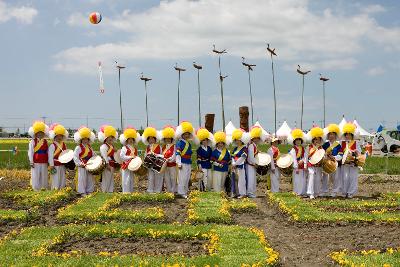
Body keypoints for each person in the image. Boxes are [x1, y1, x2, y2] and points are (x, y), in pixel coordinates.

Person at [339, 123, 361, 198]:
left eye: (349, 134)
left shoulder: (356, 143)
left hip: (353, 163)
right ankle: (344, 192)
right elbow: (340, 153)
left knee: (353, 177)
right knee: (344, 177)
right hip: (344, 163)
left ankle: (351, 192)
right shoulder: (342, 143)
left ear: (352, 135)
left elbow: (359, 153)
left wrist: (354, 154)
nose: (347, 136)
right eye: (346, 134)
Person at [73, 126, 96, 195]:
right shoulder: (78, 147)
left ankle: (89, 191)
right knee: (82, 178)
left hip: (89, 164)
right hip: (82, 164)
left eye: (87, 139)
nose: (85, 140)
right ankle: (82, 191)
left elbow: (93, 155)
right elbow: (75, 157)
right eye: (84, 139)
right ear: (81, 139)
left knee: (90, 178)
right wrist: (79, 163)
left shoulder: (89, 147)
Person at [322, 124, 342, 197]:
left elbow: (341, 155)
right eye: (330, 134)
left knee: (335, 178)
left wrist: (334, 157)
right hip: (326, 164)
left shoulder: (338, 145)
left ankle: (335, 191)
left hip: (335, 164)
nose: (331, 136)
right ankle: (324, 191)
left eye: (333, 134)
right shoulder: (325, 145)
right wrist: (325, 156)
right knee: (325, 178)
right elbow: (321, 153)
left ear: (335, 135)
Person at [246, 126, 267, 198]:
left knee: (253, 179)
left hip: (253, 164)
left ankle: (252, 192)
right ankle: (250, 192)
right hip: (251, 165)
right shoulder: (251, 146)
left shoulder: (254, 146)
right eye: (255, 138)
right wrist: (254, 164)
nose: (257, 139)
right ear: (252, 138)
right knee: (251, 179)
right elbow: (251, 157)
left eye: (258, 138)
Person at [28, 121, 49, 191]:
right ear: (35, 133)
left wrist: (49, 161)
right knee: (35, 175)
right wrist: (31, 161)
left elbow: (47, 152)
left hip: (44, 160)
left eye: (42, 133)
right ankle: (36, 189)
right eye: (39, 133)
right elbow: (30, 152)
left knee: (44, 175)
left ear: (44, 133)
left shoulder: (45, 141)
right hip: (36, 160)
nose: (40, 134)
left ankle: (44, 188)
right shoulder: (32, 141)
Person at [175, 121, 194, 198]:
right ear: (182, 134)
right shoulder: (179, 142)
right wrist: (179, 163)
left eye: (188, 134)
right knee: (182, 178)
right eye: (185, 134)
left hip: (188, 162)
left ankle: (185, 191)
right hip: (182, 162)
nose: (186, 135)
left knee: (187, 177)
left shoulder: (189, 143)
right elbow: (178, 154)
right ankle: (181, 192)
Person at [142, 126, 163, 193]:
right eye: (149, 139)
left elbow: (162, 155)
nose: (151, 140)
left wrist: (155, 155)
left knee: (157, 177)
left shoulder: (159, 146)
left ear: (155, 139)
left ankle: (157, 190)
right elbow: (145, 155)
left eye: (152, 139)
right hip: (150, 165)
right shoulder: (147, 147)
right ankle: (150, 190)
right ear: (148, 140)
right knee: (150, 178)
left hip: (157, 164)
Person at [48, 123, 69, 190]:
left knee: (62, 179)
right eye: (58, 136)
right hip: (55, 165)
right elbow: (50, 156)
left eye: (61, 136)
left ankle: (61, 190)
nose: (59, 137)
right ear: (54, 136)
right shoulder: (52, 145)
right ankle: (55, 190)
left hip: (62, 164)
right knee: (55, 179)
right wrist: (51, 165)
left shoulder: (64, 145)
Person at [119, 127, 140, 193]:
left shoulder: (135, 148)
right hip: (126, 166)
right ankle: (126, 192)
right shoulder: (124, 148)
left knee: (131, 179)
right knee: (126, 180)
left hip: (132, 166)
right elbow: (122, 156)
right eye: (129, 139)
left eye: (132, 139)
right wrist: (130, 157)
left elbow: (136, 157)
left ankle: (131, 192)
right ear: (126, 140)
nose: (131, 140)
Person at [98, 125, 118, 193]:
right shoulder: (103, 146)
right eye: (109, 137)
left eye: (111, 137)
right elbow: (104, 156)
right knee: (106, 178)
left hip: (112, 163)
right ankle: (105, 191)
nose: (110, 139)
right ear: (105, 138)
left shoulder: (112, 146)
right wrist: (107, 164)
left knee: (111, 178)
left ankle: (110, 191)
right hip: (107, 164)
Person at [306, 126, 324, 199]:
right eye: (315, 139)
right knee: (312, 176)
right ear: (313, 140)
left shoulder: (321, 148)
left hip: (319, 165)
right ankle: (310, 193)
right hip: (311, 165)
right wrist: (305, 165)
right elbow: (305, 157)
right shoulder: (309, 147)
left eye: (318, 139)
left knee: (318, 178)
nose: (317, 141)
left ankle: (317, 192)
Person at [231, 128, 249, 198]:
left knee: (241, 180)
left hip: (241, 166)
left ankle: (243, 193)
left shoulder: (245, 148)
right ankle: (236, 193)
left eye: (239, 140)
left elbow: (243, 157)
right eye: (236, 140)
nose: (237, 141)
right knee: (235, 179)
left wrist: (235, 164)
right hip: (234, 166)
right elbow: (232, 156)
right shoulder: (235, 148)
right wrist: (233, 163)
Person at [288, 129, 307, 196]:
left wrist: (304, 162)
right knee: (297, 179)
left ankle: (302, 192)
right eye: (297, 140)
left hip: (302, 166)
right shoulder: (293, 149)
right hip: (296, 167)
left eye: (299, 140)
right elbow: (293, 158)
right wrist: (296, 166)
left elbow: (305, 156)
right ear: (294, 141)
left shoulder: (303, 148)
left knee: (303, 179)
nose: (298, 141)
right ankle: (297, 192)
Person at [161, 126, 177, 193]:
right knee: (166, 178)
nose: (167, 140)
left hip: (172, 165)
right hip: (165, 165)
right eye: (166, 138)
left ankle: (173, 191)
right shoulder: (163, 147)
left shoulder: (174, 146)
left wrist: (169, 159)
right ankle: (169, 190)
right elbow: (162, 155)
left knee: (173, 178)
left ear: (171, 139)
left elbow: (174, 155)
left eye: (169, 138)